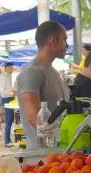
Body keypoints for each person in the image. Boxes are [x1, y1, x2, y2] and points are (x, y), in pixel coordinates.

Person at [17, 20, 69, 150]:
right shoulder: (31, 71)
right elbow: (33, 116)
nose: (66, 45)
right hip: (42, 155)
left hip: (59, 151)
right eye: (64, 39)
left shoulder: (54, 72)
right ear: (52, 41)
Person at [0, 62, 17, 145]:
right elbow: (1, 91)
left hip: (10, 98)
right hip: (6, 99)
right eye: (11, 68)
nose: (12, 69)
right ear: (6, 68)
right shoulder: (3, 76)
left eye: (12, 68)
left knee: (11, 120)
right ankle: (6, 141)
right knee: (8, 120)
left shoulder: (9, 76)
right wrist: (11, 93)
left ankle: (8, 140)